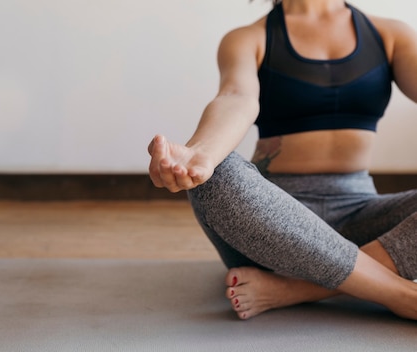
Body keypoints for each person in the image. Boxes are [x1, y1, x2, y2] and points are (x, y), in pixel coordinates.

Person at [148, 0, 417, 320]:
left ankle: (296, 289)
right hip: (269, 225)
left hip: (362, 216)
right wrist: (200, 156)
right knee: (217, 174)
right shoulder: (249, 38)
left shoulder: (391, 35)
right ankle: (397, 292)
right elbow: (236, 97)